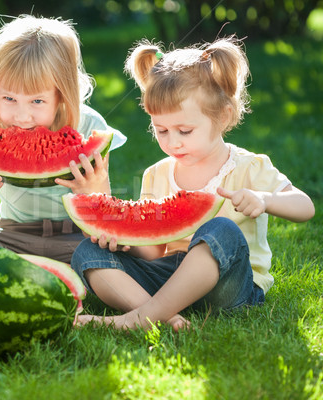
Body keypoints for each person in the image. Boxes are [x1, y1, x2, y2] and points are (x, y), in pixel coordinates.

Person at [71, 37, 315, 331]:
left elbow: (306, 207)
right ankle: (164, 316)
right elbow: (153, 252)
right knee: (87, 253)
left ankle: (139, 317)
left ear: (223, 117)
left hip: (228, 287)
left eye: (184, 131)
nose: (172, 142)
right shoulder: (155, 174)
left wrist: (265, 199)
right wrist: (123, 240)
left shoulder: (250, 166)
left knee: (221, 230)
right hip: (168, 278)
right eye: (161, 130)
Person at [0, 15, 126, 263]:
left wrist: (90, 199)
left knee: (106, 253)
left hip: (75, 242)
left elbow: (99, 231)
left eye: (37, 101)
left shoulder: (91, 127)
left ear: (62, 94)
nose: (21, 116)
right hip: (10, 239)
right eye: (8, 99)